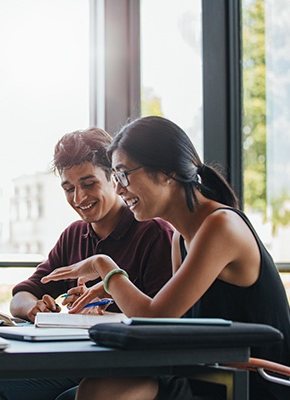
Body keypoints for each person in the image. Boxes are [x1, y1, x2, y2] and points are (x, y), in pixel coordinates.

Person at [41, 116, 290, 400]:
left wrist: (104, 268)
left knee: (98, 393)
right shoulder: (180, 238)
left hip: (252, 382)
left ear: (166, 173)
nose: (120, 189)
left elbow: (155, 317)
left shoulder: (220, 226)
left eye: (124, 175)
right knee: (87, 392)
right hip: (208, 374)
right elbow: (169, 328)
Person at [0, 127, 174, 400]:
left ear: (115, 178)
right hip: (81, 364)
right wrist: (34, 308)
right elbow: (21, 295)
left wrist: (104, 310)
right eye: (69, 188)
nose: (79, 198)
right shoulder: (74, 235)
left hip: (135, 369)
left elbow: (163, 322)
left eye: (89, 184)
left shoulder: (153, 233)